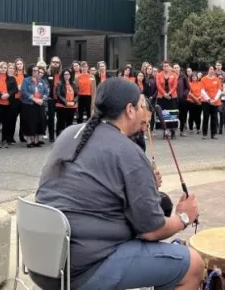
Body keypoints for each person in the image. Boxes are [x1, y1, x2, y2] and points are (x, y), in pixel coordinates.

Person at [35, 78, 203, 290]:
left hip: (43, 262)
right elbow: (152, 230)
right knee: (193, 265)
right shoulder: (129, 152)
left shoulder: (69, 133)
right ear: (130, 110)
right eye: (142, 106)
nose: (144, 112)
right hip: (85, 268)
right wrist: (184, 217)